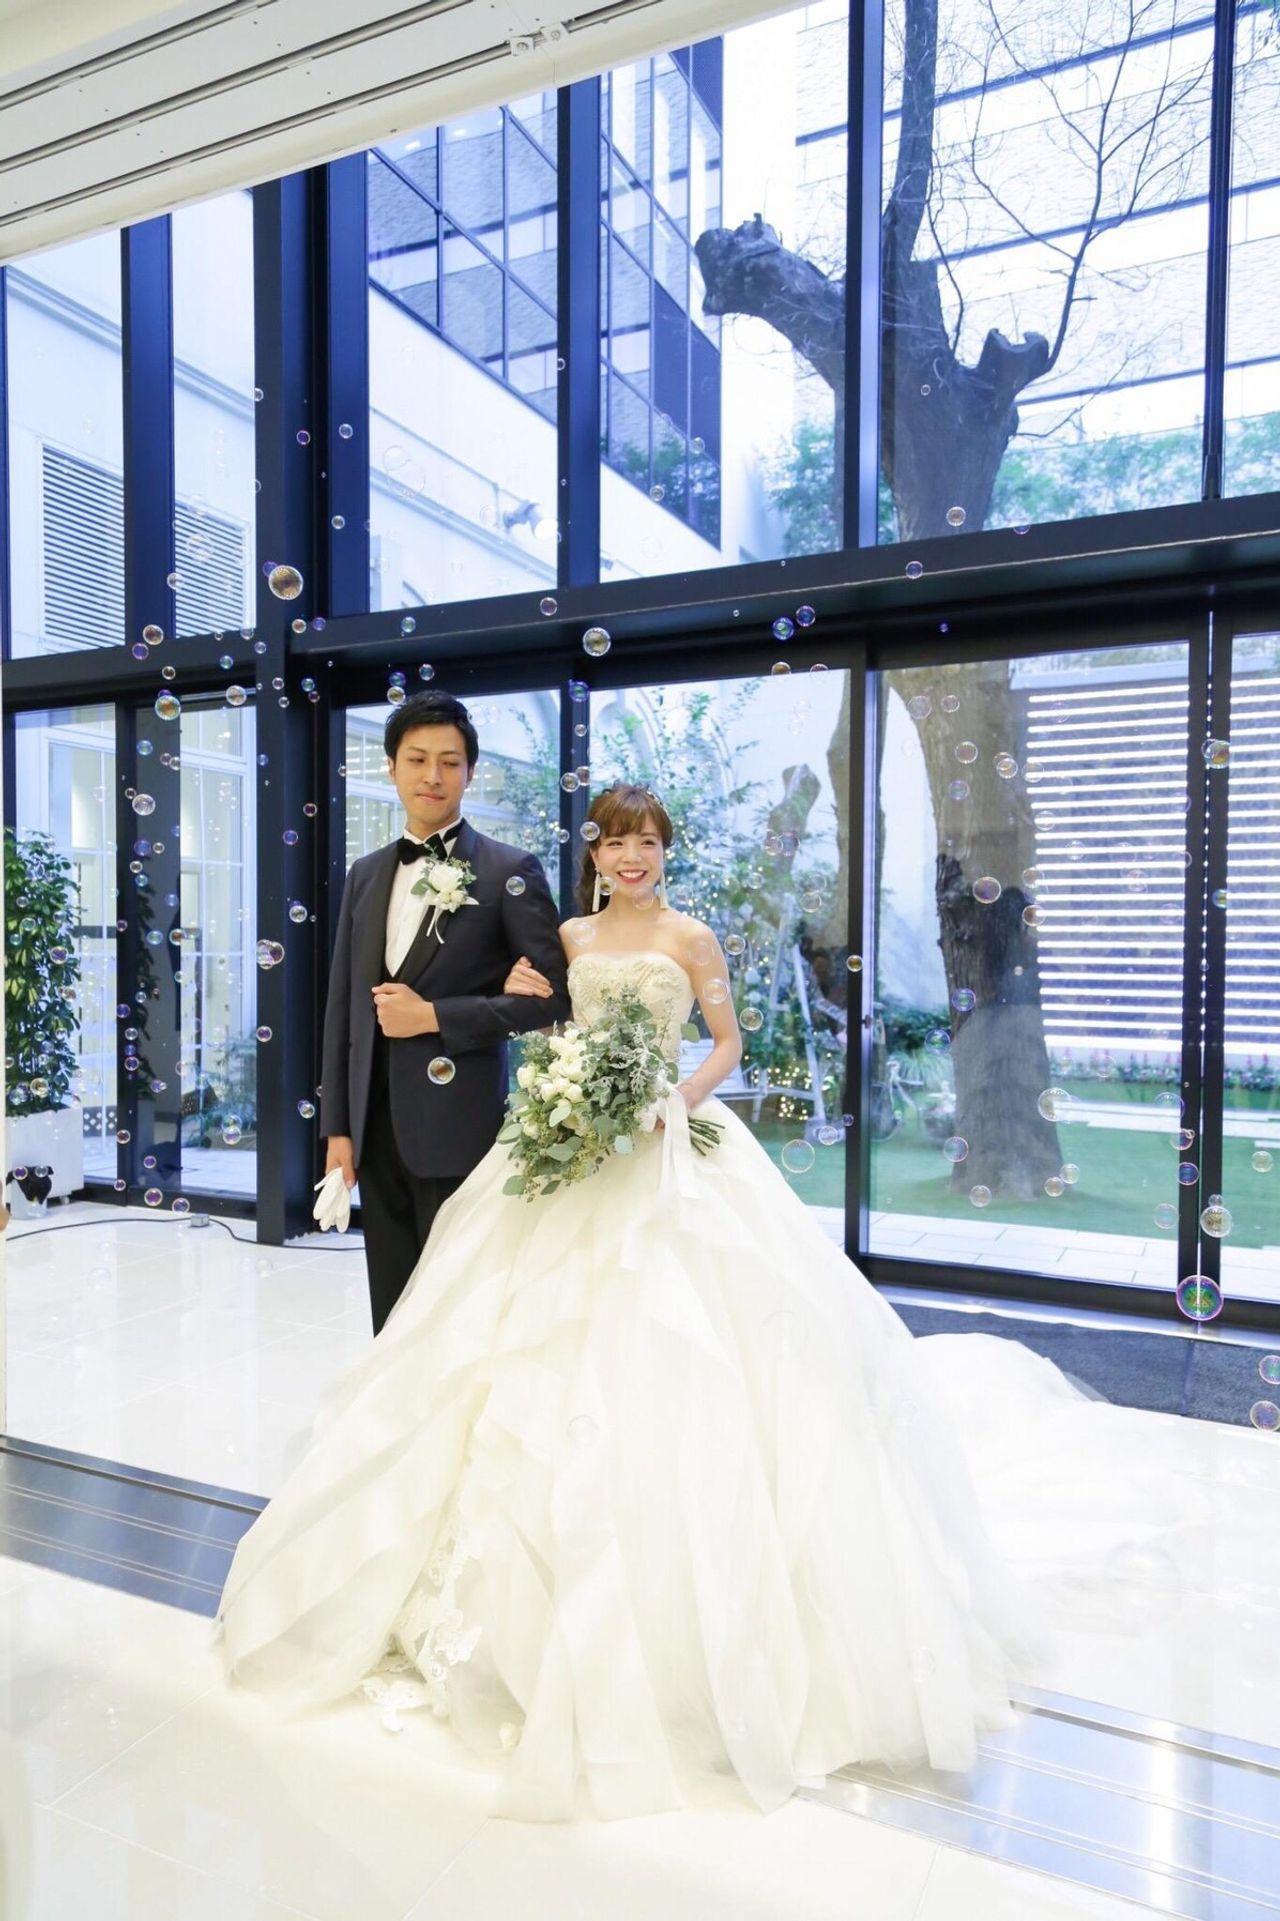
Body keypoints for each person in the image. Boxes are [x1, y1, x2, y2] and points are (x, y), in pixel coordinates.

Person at [218, 782, 1265, 1824]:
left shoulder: (691, 938)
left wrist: (667, 1101)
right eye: (615, 842)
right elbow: (543, 1019)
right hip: (570, 1152)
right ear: (594, 856)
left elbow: (726, 1045)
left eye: (646, 842)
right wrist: (554, 1074)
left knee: (690, 1352)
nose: (631, 857)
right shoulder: (569, 938)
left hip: (671, 1152)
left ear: (663, 853)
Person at [319, 690, 571, 1334]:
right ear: (391, 767)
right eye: (417, 759)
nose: (432, 776)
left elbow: (556, 997)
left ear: (470, 772)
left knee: (459, 1306)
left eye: (450, 762)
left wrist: (434, 1016)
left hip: (461, 1124)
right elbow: (343, 1008)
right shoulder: (365, 874)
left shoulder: (511, 869)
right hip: (374, 1125)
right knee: (391, 1303)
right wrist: (339, 1129)